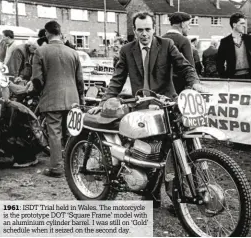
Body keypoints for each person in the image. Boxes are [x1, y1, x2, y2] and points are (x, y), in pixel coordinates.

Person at [89, 11, 204, 207]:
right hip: (143, 109)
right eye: (140, 30)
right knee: (147, 153)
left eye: (148, 29)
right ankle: (151, 196)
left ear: (154, 29)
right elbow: (117, 79)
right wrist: (104, 102)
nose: (144, 34)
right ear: (134, 30)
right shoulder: (126, 50)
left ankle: (179, 200)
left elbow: (185, 67)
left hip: (167, 106)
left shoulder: (166, 45)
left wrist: (195, 83)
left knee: (175, 154)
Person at [28, 21, 85, 178]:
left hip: (52, 98)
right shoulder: (73, 52)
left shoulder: (40, 52)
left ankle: (56, 168)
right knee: (72, 133)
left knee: (55, 133)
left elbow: (37, 79)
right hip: (73, 99)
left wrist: (39, 93)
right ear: (60, 33)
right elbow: (80, 80)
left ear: (46, 33)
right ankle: (75, 165)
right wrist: (81, 99)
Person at [162, 11, 197, 94]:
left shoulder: (160, 39)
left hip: (163, 86)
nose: (189, 28)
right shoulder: (184, 41)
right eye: (188, 24)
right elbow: (190, 66)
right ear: (182, 24)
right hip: (180, 87)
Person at [217, 13, 251, 79]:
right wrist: (224, 77)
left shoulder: (248, 38)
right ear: (234, 25)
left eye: (244, 23)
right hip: (232, 77)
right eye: (241, 23)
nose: (244, 26)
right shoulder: (225, 41)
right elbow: (219, 62)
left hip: (250, 76)